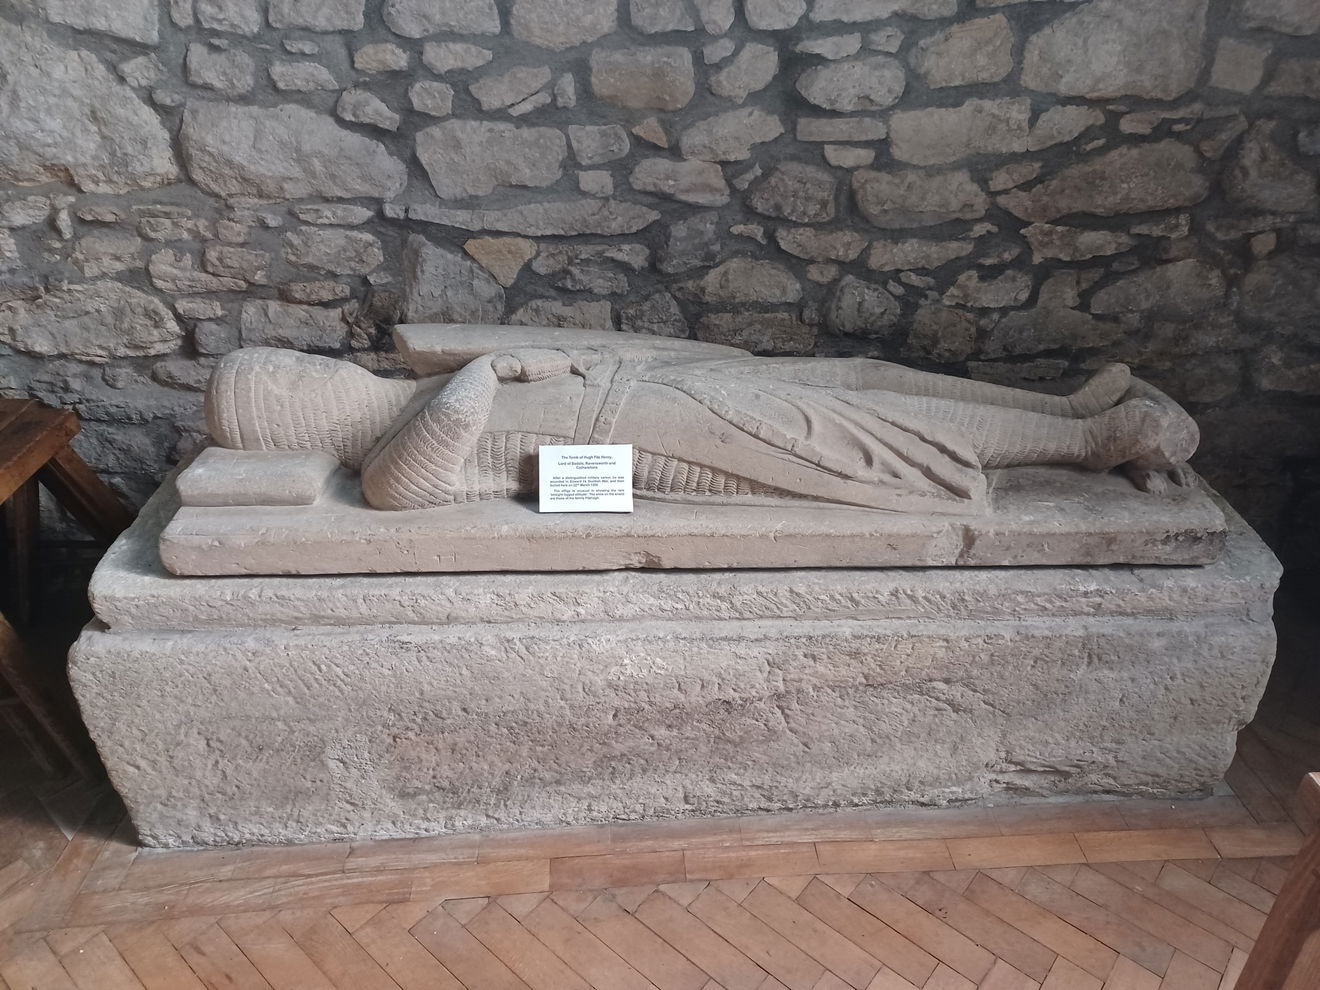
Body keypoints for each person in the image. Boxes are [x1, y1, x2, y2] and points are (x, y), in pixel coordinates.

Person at [206, 338, 1198, 514]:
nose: (306, 366)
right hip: (652, 445)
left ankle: (1061, 410)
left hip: (650, 387)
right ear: (291, 420)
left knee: (864, 381)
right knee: (876, 434)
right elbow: (407, 490)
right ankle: (1087, 445)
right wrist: (487, 368)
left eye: (289, 359)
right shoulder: (389, 449)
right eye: (286, 379)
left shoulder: (411, 389)